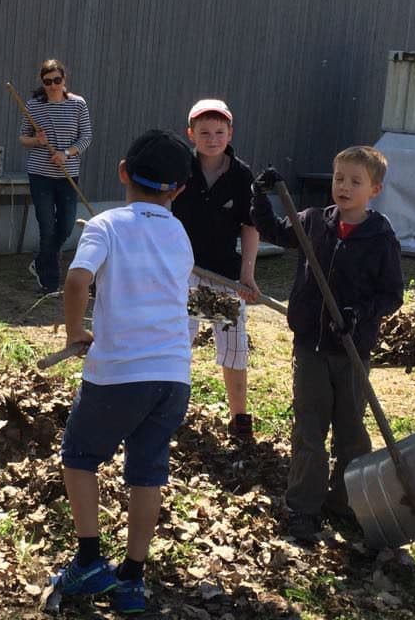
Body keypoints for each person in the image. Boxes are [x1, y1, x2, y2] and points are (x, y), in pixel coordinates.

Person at [52, 129, 194, 614]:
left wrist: (75, 330)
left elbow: (76, 278)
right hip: (173, 374)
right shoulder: (178, 232)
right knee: (147, 471)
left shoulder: (106, 224)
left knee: (80, 455)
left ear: (121, 172)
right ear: (178, 190)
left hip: (118, 371)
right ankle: (133, 577)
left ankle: (90, 559)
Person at [250, 147, 403, 540]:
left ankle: (347, 500)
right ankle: (304, 507)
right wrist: (261, 195)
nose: (344, 187)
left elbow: (392, 295)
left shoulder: (380, 236)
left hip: (352, 351)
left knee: (351, 431)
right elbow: (273, 232)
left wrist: (358, 313)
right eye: (339, 178)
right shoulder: (313, 222)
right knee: (310, 428)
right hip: (311, 347)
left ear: (375, 189)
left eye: (355, 181)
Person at [172, 99, 261, 441]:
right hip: (183, 270)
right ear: (190, 133)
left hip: (223, 273)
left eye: (219, 132)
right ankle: (172, 408)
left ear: (230, 133)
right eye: (204, 132)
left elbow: (250, 225)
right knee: (180, 338)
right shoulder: (181, 168)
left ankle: (239, 417)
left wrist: (247, 274)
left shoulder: (241, 175)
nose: (212, 138)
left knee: (233, 345)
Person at [19, 58, 92, 293]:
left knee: (67, 225)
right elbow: (23, 138)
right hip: (40, 174)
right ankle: (49, 283)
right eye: (48, 81)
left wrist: (66, 154)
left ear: (64, 80)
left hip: (68, 174)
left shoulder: (78, 104)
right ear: (42, 82)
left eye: (57, 80)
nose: (52, 85)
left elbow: (86, 137)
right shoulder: (34, 106)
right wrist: (36, 141)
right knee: (47, 226)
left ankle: (40, 261)